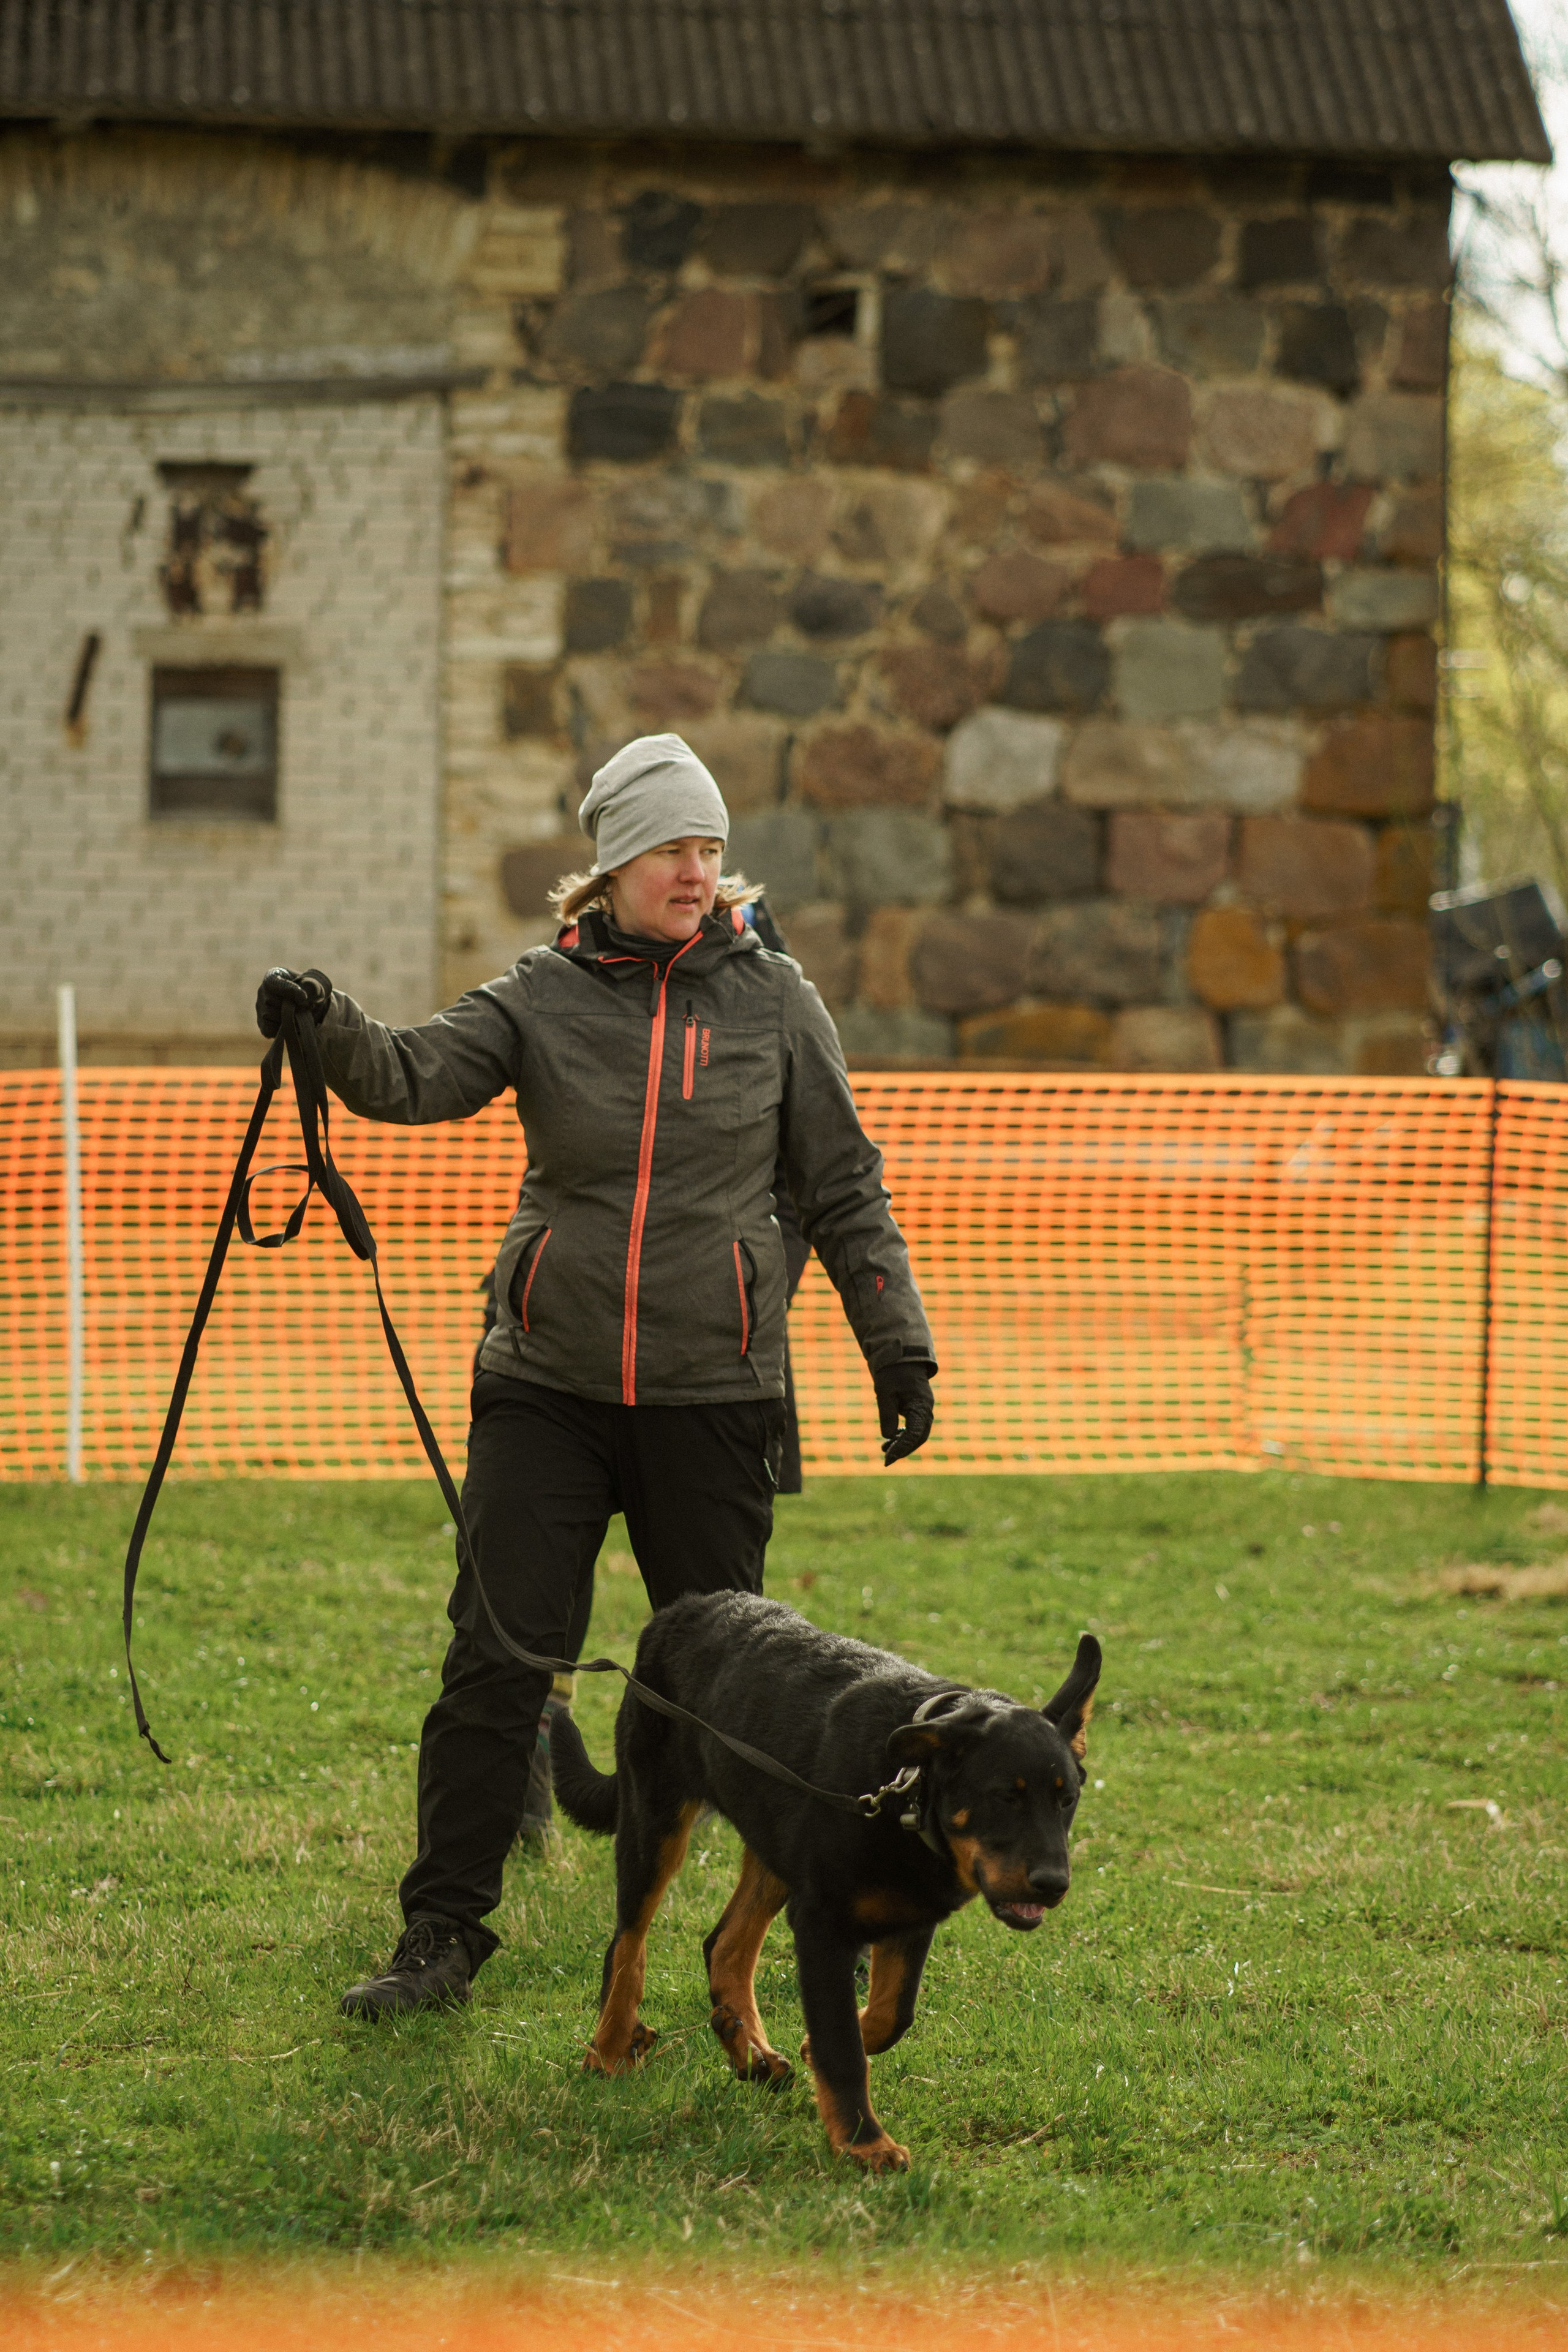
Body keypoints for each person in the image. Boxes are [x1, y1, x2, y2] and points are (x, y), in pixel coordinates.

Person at [255, 733, 937, 2018]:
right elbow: (408, 1076)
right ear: (614, 864)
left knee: (730, 1703)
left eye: (709, 849)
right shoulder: (537, 997)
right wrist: (323, 1023)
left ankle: (740, 1957)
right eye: (672, 849)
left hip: (713, 1395)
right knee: (495, 1660)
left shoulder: (777, 1001)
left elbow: (844, 1187)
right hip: (547, 1385)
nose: (696, 871)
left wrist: (893, 1342)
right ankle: (440, 1936)